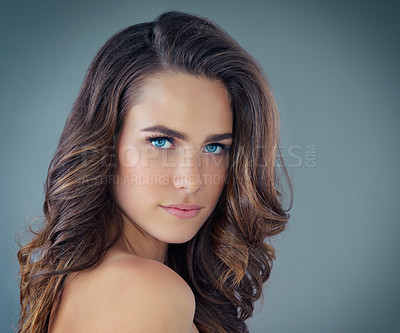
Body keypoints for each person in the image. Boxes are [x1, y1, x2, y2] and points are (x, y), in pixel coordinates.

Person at [17, 11, 293, 333]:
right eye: (161, 141)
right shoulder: (145, 291)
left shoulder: (88, 279)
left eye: (215, 147)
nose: (191, 180)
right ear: (106, 144)